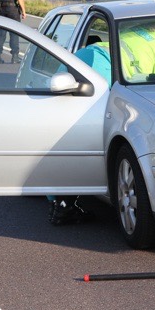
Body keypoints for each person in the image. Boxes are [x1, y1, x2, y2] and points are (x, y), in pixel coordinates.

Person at [48, 39, 111, 225]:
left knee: (66, 155)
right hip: (77, 114)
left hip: (73, 113)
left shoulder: (84, 57)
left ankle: (60, 204)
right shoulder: (94, 58)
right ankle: (63, 205)